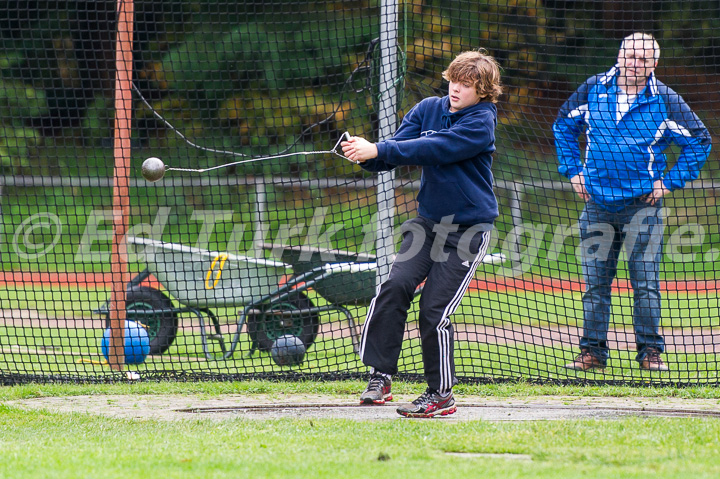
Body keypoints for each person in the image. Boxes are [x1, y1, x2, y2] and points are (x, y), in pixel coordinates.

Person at [341, 50, 502, 417]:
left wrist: (379, 148)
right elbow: (395, 152)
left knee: (434, 310)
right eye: (453, 81)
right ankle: (380, 375)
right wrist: (365, 155)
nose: (456, 89)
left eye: (466, 84)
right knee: (394, 286)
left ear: (483, 91)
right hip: (427, 224)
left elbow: (437, 149)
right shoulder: (429, 108)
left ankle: (440, 393)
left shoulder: (481, 120)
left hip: (468, 229)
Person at [553, 32, 711, 372]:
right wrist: (573, 171)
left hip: (643, 207)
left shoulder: (665, 99)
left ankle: (650, 353)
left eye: (642, 59)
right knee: (595, 285)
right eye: (629, 55)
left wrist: (668, 182)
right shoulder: (594, 87)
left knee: (645, 285)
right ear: (619, 54)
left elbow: (700, 141)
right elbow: (563, 126)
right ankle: (592, 353)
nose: (634, 63)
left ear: (654, 64)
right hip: (596, 204)